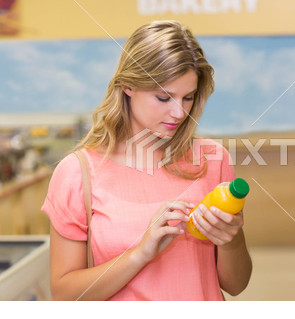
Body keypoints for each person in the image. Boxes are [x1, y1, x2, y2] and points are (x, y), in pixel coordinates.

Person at [41, 20, 252, 301]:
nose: (179, 112)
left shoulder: (213, 160)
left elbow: (236, 285)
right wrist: (140, 253)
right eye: (163, 97)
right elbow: (65, 295)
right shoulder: (78, 173)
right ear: (128, 85)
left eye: (188, 97)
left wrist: (231, 239)